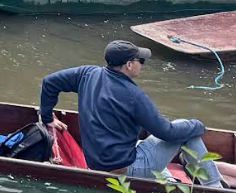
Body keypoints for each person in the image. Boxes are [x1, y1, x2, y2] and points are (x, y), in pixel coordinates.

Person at [40, 41, 224, 187]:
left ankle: (204, 181)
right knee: (187, 129)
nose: (142, 65)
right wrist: (199, 125)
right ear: (129, 64)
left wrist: (48, 118)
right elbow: (166, 132)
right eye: (140, 61)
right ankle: (214, 187)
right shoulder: (133, 95)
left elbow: (49, 82)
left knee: (171, 133)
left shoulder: (87, 74)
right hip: (127, 169)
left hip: (96, 163)